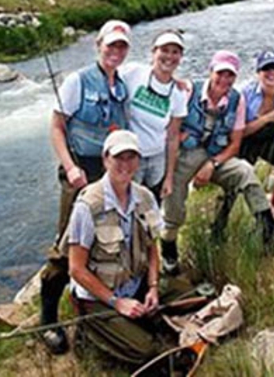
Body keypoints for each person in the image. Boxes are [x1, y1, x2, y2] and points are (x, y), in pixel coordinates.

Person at [40, 20, 131, 354]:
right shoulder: (77, 81)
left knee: (103, 245)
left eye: (122, 46)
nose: (116, 51)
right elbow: (56, 127)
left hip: (109, 173)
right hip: (79, 172)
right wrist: (70, 167)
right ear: (98, 45)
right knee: (67, 248)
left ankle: (89, 310)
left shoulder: (123, 85)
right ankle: (47, 321)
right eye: (111, 45)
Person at [68, 130, 193, 365]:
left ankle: (142, 318)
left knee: (196, 296)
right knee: (151, 354)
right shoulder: (87, 206)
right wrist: (117, 303)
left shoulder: (145, 197)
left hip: (136, 285)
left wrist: (153, 287)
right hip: (98, 298)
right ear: (105, 160)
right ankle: (90, 329)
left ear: (139, 160)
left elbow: (152, 247)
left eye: (131, 157)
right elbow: (76, 270)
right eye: (119, 158)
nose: (125, 164)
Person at [161, 50, 274, 271]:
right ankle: (168, 247)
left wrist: (212, 164)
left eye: (230, 75)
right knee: (173, 199)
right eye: (220, 73)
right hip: (185, 154)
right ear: (210, 72)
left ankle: (269, 228)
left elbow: (235, 144)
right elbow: (170, 125)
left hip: (216, 155)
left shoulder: (237, 100)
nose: (224, 80)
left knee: (244, 172)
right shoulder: (188, 90)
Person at [212, 49, 274, 234]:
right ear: (258, 73)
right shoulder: (245, 95)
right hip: (247, 142)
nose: (271, 73)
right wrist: (267, 118)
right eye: (266, 69)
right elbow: (238, 132)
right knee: (233, 183)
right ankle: (218, 226)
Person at [120, 29, 187, 203]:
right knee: (126, 203)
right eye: (164, 50)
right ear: (153, 52)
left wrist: (169, 177)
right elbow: (108, 75)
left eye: (175, 52)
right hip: (130, 156)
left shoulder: (179, 93)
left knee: (151, 206)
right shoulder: (134, 72)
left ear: (180, 57)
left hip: (157, 157)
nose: (169, 57)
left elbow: (173, 137)